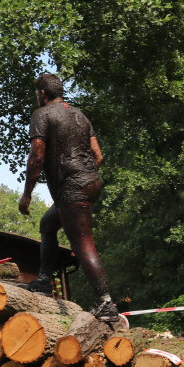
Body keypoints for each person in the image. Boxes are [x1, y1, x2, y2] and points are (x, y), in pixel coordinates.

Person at [18, 72, 120, 322]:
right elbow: (98, 155)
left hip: (73, 188)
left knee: (82, 242)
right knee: (48, 224)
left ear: (42, 94)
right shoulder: (80, 115)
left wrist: (27, 194)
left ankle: (105, 302)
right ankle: (43, 281)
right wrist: (85, 175)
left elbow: (36, 157)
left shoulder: (41, 115)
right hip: (90, 183)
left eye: (36, 93)